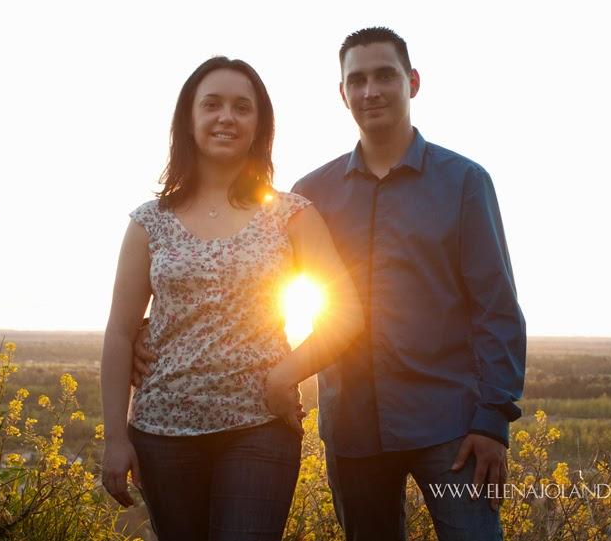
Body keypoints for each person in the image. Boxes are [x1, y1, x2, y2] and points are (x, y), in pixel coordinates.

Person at [134, 27, 525, 541]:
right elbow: (242, 287)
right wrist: (150, 329)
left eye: (384, 76)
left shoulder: (464, 182)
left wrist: (492, 419)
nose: (371, 91)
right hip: (352, 433)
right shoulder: (310, 194)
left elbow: (496, 307)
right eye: (357, 80)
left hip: (451, 426)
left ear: (412, 82)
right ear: (343, 93)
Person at [100, 56, 363, 540]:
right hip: (162, 433)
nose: (227, 117)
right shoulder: (148, 222)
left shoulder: (292, 214)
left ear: (260, 125)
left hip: (259, 428)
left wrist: (286, 374)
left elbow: (346, 316)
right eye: (212, 104)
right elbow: (119, 333)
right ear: (189, 119)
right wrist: (115, 438)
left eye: (243, 107)